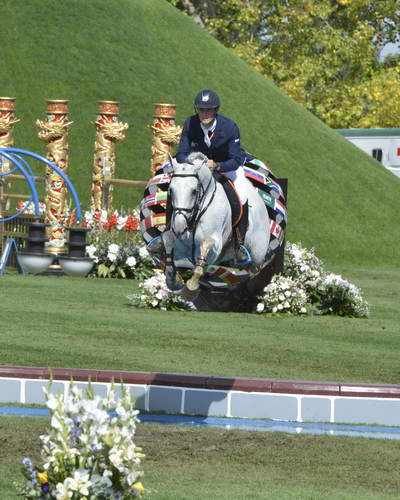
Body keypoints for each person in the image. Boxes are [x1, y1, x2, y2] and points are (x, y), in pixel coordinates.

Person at [176, 88, 251, 265]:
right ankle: (168, 232)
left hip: (226, 165)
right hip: (198, 168)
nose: (204, 114)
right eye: (201, 110)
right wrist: (194, 162)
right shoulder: (190, 123)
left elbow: (236, 158)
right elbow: (181, 154)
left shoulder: (229, 127)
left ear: (216, 110)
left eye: (209, 110)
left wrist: (217, 165)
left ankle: (239, 244)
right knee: (176, 186)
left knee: (242, 193)